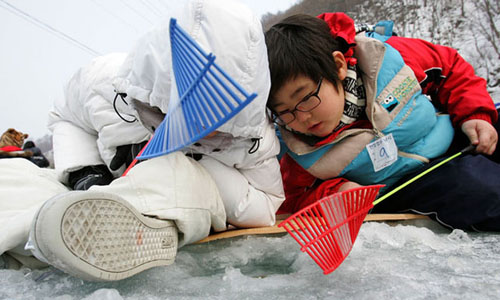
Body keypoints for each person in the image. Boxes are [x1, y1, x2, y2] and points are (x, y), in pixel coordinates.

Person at [0, 0, 284, 281]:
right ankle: (37, 235)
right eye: (192, 110)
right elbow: (66, 115)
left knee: (174, 174)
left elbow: (267, 203)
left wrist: (197, 163)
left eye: (218, 113)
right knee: (14, 177)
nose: (206, 127)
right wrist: (84, 171)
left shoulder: (253, 134)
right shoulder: (107, 83)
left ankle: (102, 234)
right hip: (100, 190)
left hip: (177, 204)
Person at [265, 13, 500, 231]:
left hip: (453, 136)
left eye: (306, 98)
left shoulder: (388, 59)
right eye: (285, 111)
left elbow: (450, 65)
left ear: (338, 66)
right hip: (411, 184)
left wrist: (475, 115)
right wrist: (335, 193)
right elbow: (292, 198)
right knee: (482, 190)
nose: (302, 117)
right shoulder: (296, 151)